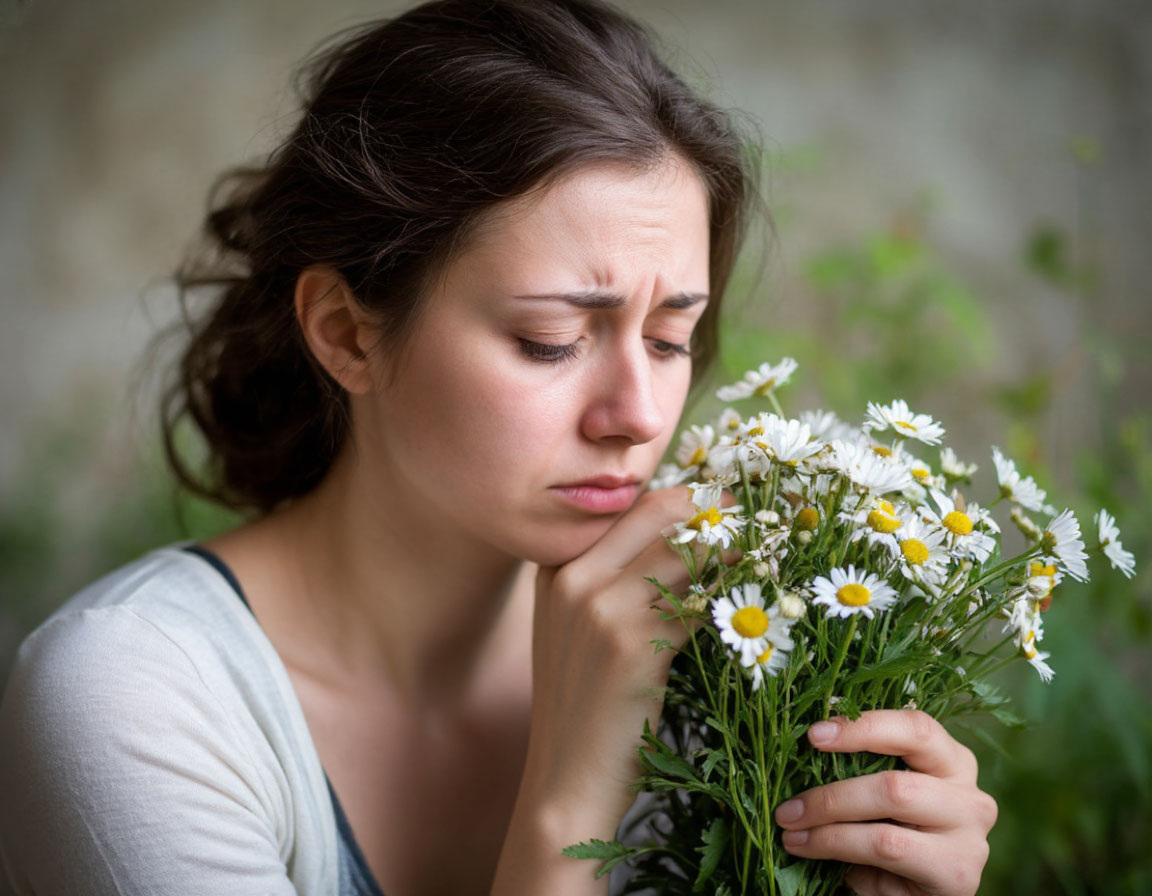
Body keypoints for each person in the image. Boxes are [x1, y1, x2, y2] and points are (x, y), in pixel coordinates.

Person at [0, 1, 997, 894]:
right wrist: (568, 807)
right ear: (346, 332)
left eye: (670, 340)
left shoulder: (732, 672)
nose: (638, 414)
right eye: (551, 340)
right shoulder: (134, 699)